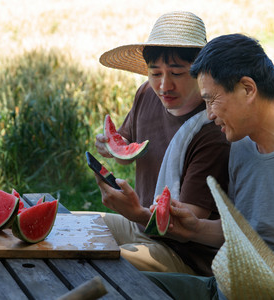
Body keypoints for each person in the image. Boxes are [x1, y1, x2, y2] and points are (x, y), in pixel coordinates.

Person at [144, 33, 274, 299]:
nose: (209, 114)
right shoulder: (241, 145)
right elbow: (249, 234)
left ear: (247, 89)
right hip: (220, 290)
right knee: (120, 283)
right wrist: (194, 228)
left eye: (212, 99)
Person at [94, 11, 230, 276]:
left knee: (93, 261)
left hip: (183, 255)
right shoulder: (147, 93)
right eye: (155, 73)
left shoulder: (214, 131)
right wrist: (112, 149)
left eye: (177, 73)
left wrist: (134, 212)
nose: (164, 85)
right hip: (142, 224)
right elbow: (128, 151)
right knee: (70, 230)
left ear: (202, 73)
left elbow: (183, 227)